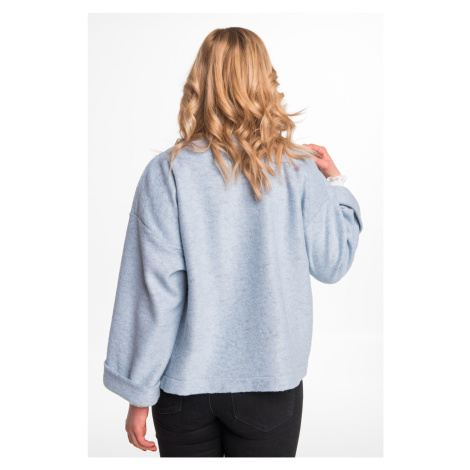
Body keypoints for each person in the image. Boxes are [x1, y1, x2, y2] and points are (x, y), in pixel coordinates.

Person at [103, 26, 363, 457]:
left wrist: (138, 393)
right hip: (270, 384)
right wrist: (335, 182)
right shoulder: (297, 169)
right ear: (265, 79)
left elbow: (153, 295)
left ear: (199, 82)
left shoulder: (167, 173)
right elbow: (333, 262)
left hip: (183, 391)